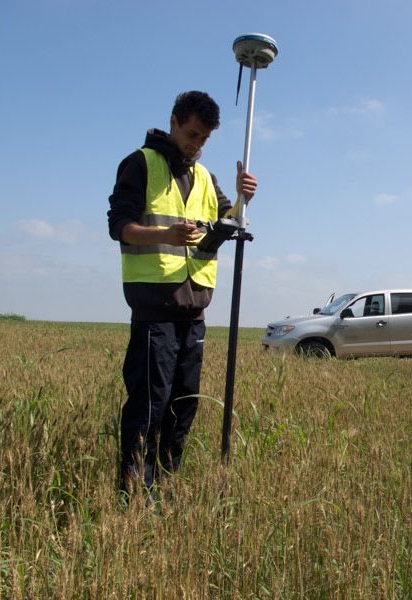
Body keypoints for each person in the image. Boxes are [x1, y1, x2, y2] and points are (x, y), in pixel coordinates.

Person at [107, 91, 257, 497]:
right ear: (173, 122)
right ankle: (136, 493)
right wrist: (165, 234)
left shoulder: (206, 177)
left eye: (204, 139)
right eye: (192, 134)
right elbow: (118, 225)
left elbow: (228, 220)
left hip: (194, 310)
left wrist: (244, 199)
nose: (197, 144)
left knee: (183, 405)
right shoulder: (140, 164)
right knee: (149, 406)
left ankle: (168, 483)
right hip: (155, 309)